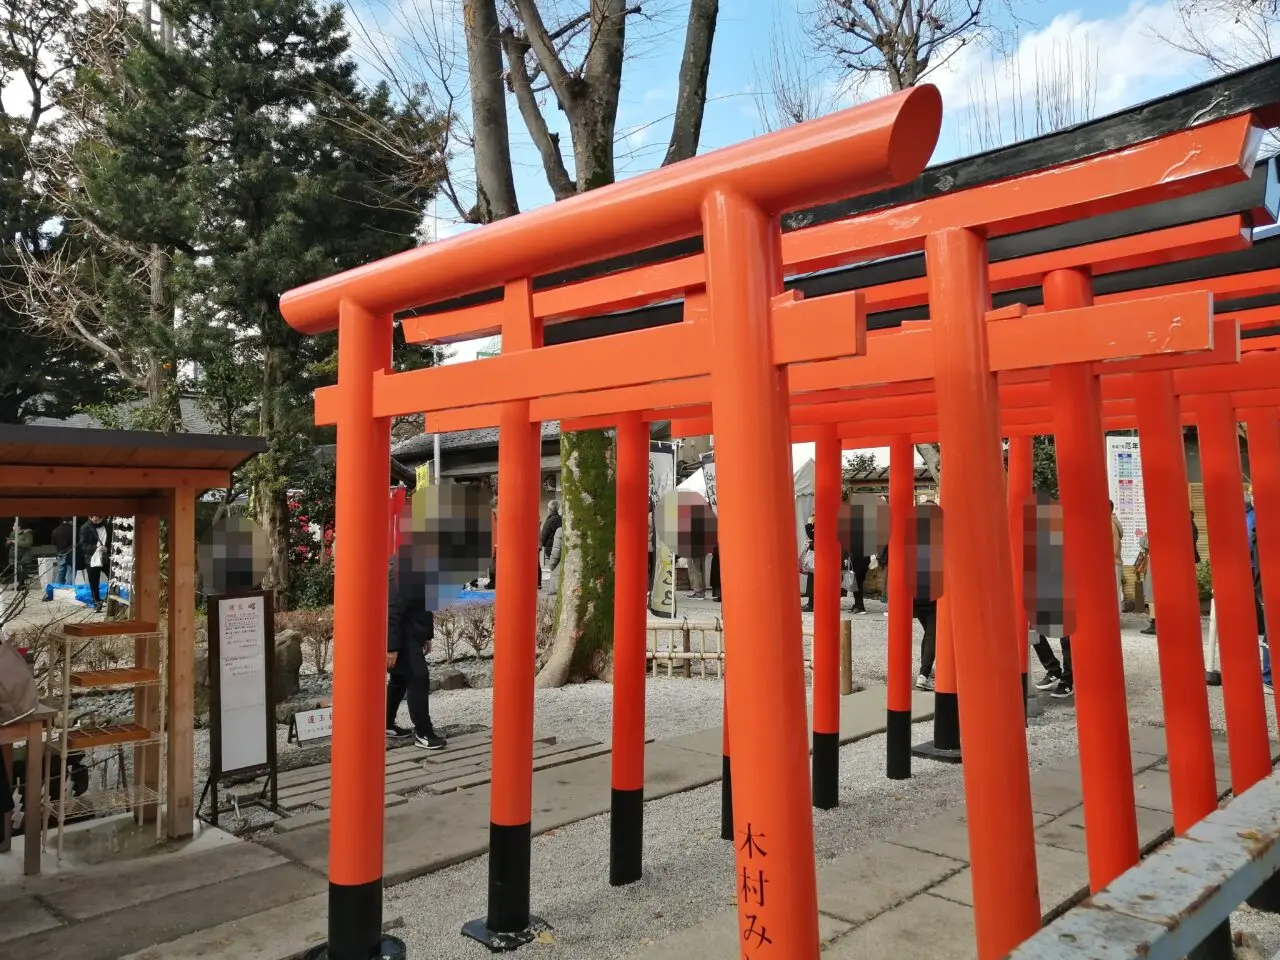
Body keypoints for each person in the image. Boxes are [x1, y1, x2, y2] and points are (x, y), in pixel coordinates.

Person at [386, 555, 446, 750]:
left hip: (413, 633)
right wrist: (391, 647)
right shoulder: (401, 570)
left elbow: (427, 603)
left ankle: (385, 723)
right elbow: (393, 611)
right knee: (418, 677)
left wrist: (427, 635)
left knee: (399, 680)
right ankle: (423, 732)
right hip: (402, 636)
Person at [78, 516, 111, 612]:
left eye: (99, 520)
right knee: (94, 582)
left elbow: (111, 541)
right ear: (90, 517)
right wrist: (96, 548)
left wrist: (107, 548)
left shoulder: (108, 526)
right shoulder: (85, 528)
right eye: (95, 520)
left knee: (113, 578)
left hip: (105, 557)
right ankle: (97, 603)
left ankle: (108, 599)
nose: (96, 522)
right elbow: (83, 545)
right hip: (91, 558)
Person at [799, 516, 816, 613]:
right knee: (812, 579)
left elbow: (813, 535)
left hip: (817, 555)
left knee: (812, 580)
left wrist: (810, 525)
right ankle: (811, 602)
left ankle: (811, 603)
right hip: (817, 555)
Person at [51, 519, 75, 586]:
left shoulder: (56, 530)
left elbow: (54, 543)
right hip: (71, 554)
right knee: (71, 572)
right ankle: (69, 589)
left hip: (60, 553)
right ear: (71, 521)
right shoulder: (73, 530)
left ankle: (58, 589)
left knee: (60, 573)